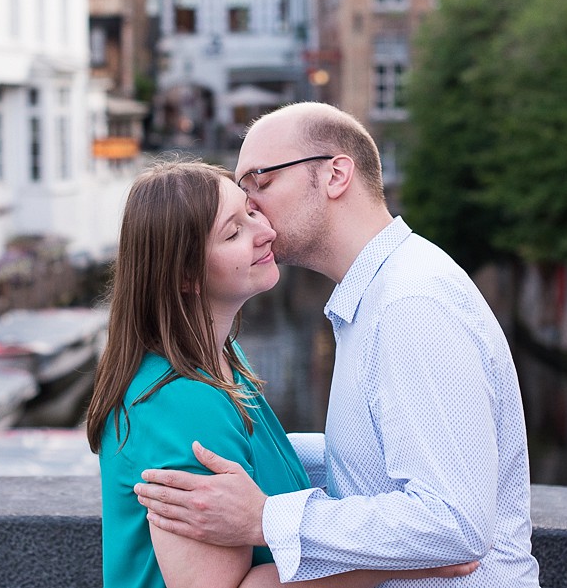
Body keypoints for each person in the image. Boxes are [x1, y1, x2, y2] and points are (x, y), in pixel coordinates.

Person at [134, 104, 542, 586]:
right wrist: (240, 444)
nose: (252, 208)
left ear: (335, 175)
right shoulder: (382, 293)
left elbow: (455, 522)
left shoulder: (408, 305)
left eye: (259, 183)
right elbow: (372, 457)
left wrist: (266, 518)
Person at [86, 158, 479, 588]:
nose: (265, 231)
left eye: (251, 211)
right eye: (234, 232)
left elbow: (261, 461)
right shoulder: (181, 400)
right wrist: (410, 561)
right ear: (186, 275)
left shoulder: (222, 360)